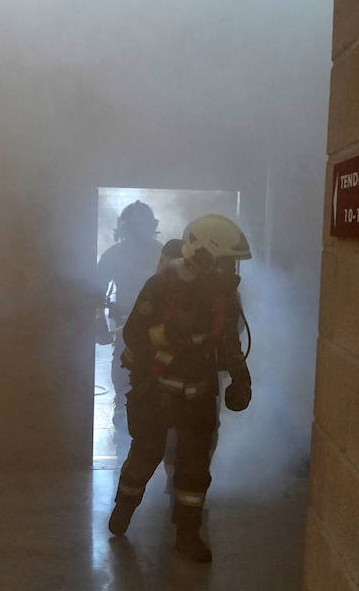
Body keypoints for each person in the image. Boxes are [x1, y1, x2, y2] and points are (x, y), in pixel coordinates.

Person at [108, 214, 252, 563]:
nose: (228, 269)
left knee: (194, 468)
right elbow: (133, 335)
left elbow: (230, 340)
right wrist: (170, 340)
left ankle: (187, 533)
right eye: (224, 261)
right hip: (155, 391)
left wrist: (241, 378)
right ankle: (124, 508)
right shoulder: (161, 285)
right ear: (203, 254)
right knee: (145, 457)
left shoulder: (224, 297)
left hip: (199, 394)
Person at [97, 201, 163, 456]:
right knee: (125, 383)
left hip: (159, 332)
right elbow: (96, 292)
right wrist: (99, 324)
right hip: (130, 331)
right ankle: (128, 443)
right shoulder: (116, 255)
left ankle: (142, 441)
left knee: (153, 382)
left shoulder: (162, 256)